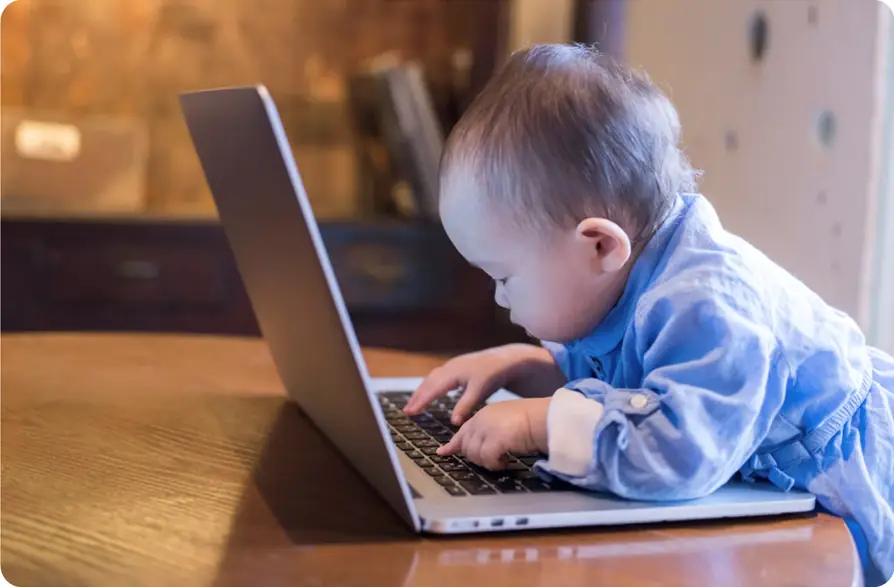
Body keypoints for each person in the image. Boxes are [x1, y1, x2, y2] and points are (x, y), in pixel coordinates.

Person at [402, 44, 894, 585]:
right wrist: (528, 367)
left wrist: (538, 421)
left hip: (848, 483)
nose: (499, 298)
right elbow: (639, 384)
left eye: (503, 276)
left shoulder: (710, 306)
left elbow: (680, 450)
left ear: (599, 247)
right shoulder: (624, 272)